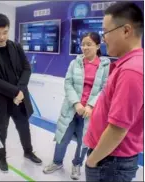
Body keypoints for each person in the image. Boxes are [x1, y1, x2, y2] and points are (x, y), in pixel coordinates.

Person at [84, 2, 143, 182]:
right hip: (109, 158)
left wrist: (92, 162)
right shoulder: (127, 64)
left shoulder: (131, 71)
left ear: (126, 31)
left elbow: (118, 128)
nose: (103, 39)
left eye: (106, 32)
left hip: (109, 162)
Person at [0, 13, 42, 172]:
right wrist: (15, 91)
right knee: (0, 131)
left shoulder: (15, 46)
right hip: (0, 99)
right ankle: (1, 158)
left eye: (5, 32)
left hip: (19, 98)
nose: (2, 37)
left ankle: (28, 152)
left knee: (24, 126)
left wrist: (19, 91)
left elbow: (27, 68)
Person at [43, 32, 110, 180]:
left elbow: (104, 88)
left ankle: (76, 164)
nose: (85, 47)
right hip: (71, 109)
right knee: (62, 138)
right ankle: (57, 162)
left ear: (98, 46)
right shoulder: (75, 63)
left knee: (83, 141)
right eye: (83, 44)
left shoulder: (105, 65)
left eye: (89, 44)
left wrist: (90, 106)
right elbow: (68, 83)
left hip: (89, 113)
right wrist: (76, 103)